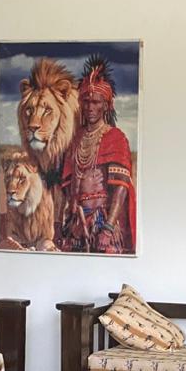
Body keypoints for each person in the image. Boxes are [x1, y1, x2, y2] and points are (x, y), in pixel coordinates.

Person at [58, 56, 136, 254]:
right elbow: (69, 186)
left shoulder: (115, 138)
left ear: (106, 105)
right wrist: (69, 219)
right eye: (86, 101)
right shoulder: (75, 139)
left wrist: (108, 228)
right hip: (77, 222)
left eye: (95, 102)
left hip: (103, 221)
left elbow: (121, 189)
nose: (90, 107)